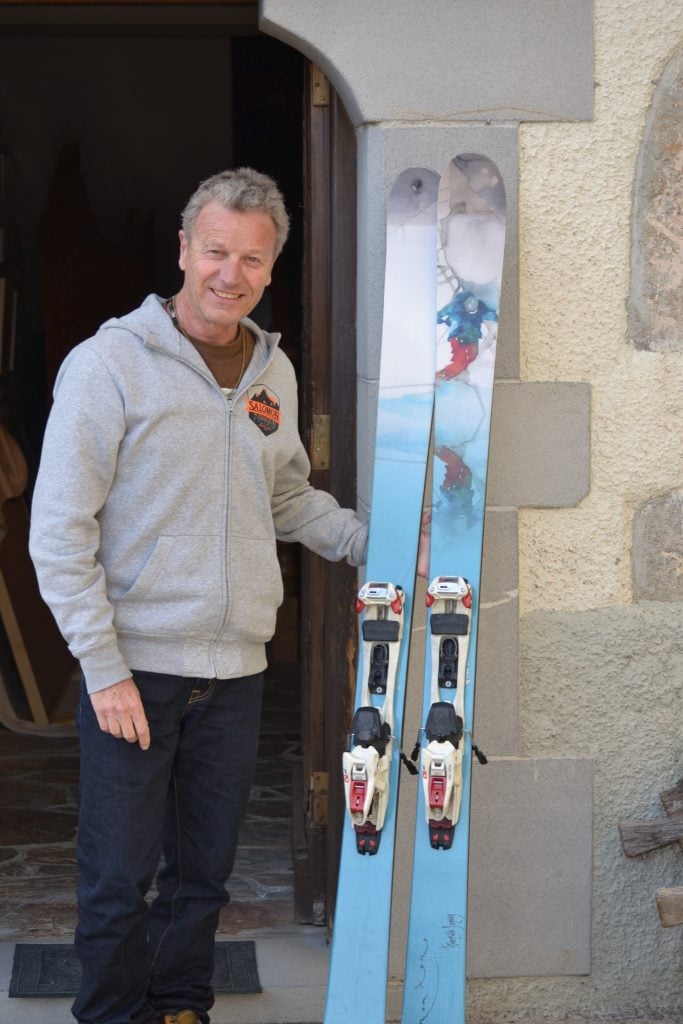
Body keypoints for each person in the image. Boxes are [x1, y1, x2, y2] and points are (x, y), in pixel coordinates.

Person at [29, 168, 369, 1024]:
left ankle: (182, 1008)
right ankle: (111, 1015)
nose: (232, 273)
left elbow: (286, 497)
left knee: (201, 875)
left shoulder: (271, 372)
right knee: (117, 878)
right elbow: (59, 531)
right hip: (133, 673)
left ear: (271, 265)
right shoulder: (108, 364)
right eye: (216, 250)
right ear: (183, 250)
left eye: (252, 258)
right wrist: (102, 671)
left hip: (236, 671)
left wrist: (379, 543)